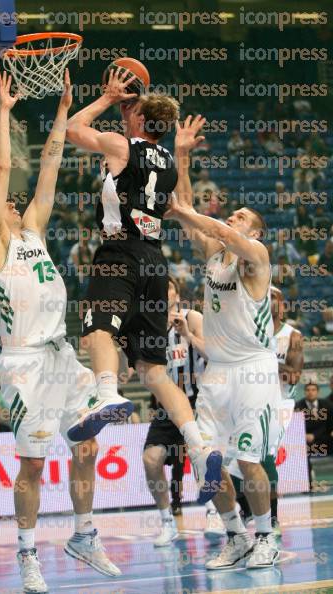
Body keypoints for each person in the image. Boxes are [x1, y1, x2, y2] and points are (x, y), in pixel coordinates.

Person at [0, 71, 120, 593]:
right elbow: (3, 167)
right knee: (32, 464)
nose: (16, 201)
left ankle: (83, 535)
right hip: (26, 365)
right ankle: (28, 554)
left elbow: (50, 163)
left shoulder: (31, 230)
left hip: (60, 357)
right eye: (6, 202)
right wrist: (6, 111)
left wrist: (65, 110)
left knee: (87, 447)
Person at [64, 68, 222, 499]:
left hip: (120, 255)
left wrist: (105, 97)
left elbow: (70, 129)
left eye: (126, 110)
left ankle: (106, 394)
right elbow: (182, 206)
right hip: (156, 263)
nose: (121, 114)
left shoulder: (121, 145)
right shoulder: (168, 162)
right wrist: (184, 153)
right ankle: (198, 443)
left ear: (137, 121)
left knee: (98, 330)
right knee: (153, 369)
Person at [165, 117, 281, 569]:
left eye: (241, 218)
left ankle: (265, 537)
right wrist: (182, 154)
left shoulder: (257, 257)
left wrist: (188, 214)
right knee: (205, 460)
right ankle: (234, 536)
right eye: (232, 214)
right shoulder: (215, 258)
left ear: (255, 232)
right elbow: (189, 206)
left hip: (253, 369)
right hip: (217, 371)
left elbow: (214, 227)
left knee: (250, 459)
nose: (233, 218)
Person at [229, 286, 304, 537]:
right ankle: (250, 508)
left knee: (266, 454)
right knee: (238, 457)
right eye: (265, 298)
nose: (269, 302)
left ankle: (271, 517)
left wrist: (266, 358)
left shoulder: (292, 335)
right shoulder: (249, 332)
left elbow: (293, 376)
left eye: (274, 298)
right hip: (252, 399)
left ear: (282, 305)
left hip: (280, 403)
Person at [142, 275, 206, 546]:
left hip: (198, 403)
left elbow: (212, 353)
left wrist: (187, 335)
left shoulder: (193, 317)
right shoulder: (149, 327)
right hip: (168, 407)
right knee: (151, 460)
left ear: (177, 295)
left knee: (205, 460)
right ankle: (167, 521)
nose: (163, 293)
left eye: (167, 288)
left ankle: (218, 514)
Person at [295, 382, 333, 488]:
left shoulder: (327, 405)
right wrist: (305, 435)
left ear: (317, 392)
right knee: (302, 451)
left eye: (313, 390)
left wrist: (314, 435)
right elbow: (295, 427)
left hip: (323, 439)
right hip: (305, 441)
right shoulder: (298, 406)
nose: (310, 392)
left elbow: (328, 425)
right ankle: (308, 485)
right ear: (304, 392)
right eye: (308, 390)